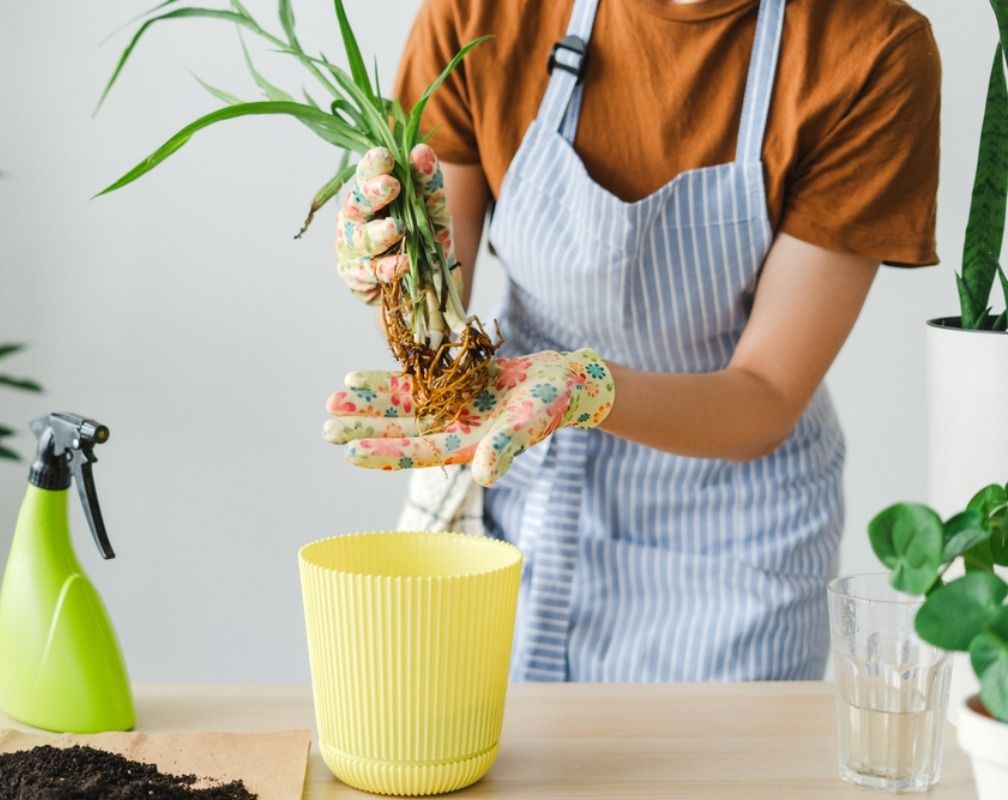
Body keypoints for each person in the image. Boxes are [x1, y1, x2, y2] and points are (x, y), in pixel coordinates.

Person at [323, 0, 941, 682]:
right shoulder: (481, 12)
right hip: (512, 503)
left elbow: (765, 392)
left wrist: (586, 389)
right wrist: (396, 272)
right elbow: (440, 313)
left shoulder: (869, 50)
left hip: (736, 547)